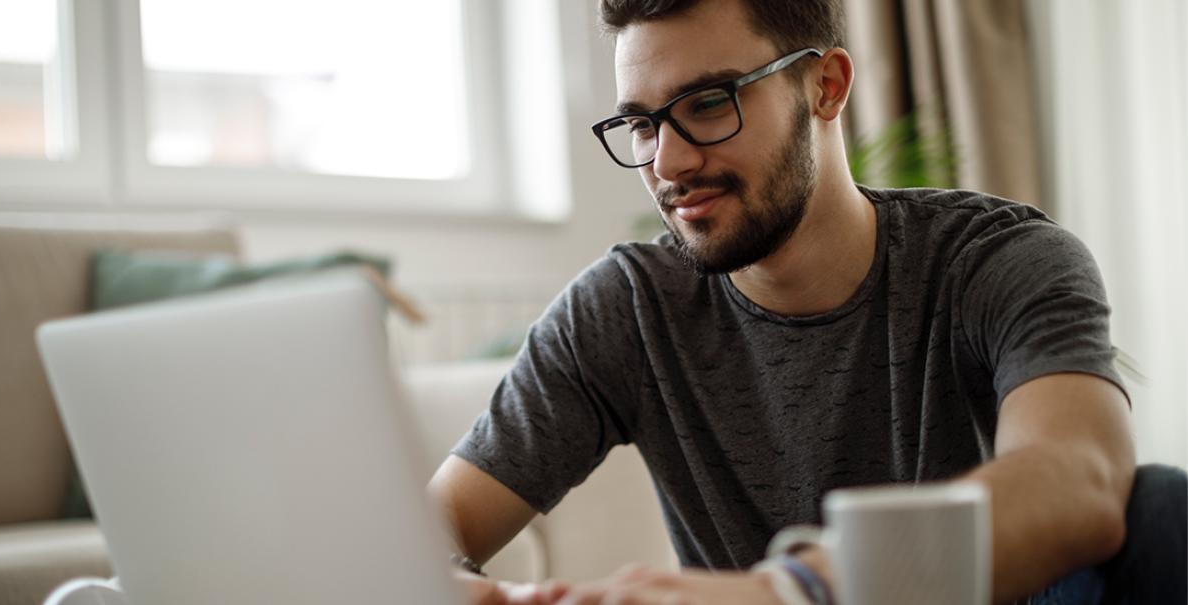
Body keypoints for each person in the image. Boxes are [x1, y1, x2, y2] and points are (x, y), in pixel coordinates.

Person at [427, 0, 1187, 603]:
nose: (669, 161)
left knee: (1159, 513)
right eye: (640, 122)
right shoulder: (624, 308)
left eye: (707, 103)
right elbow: (427, 528)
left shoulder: (994, 259)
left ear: (824, 85)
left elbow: (1079, 476)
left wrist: (791, 588)